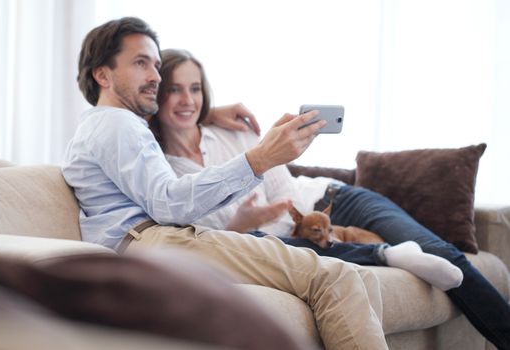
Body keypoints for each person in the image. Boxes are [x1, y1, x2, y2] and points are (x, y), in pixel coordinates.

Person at [148, 48, 510, 350]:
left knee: (442, 251)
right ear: (155, 94)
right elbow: (215, 237)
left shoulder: (231, 132)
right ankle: (389, 254)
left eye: (195, 89)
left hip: (331, 198)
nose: (187, 100)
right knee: (288, 248)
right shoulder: (163, 170)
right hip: (286, 236)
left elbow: (285, 191)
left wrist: (268, 219)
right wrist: (247, 225)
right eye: (174, 90)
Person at [62, 17, 389, 349]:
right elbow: (168, 202)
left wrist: (209, 113)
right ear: (102, 74)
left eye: (157, 66)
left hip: (162, 239)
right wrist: (259, 158)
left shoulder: (110, 127)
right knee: (337, 277)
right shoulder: (117, 125)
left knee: (360, 277)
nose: (155, 77)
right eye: (140, 63)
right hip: (155, 241)